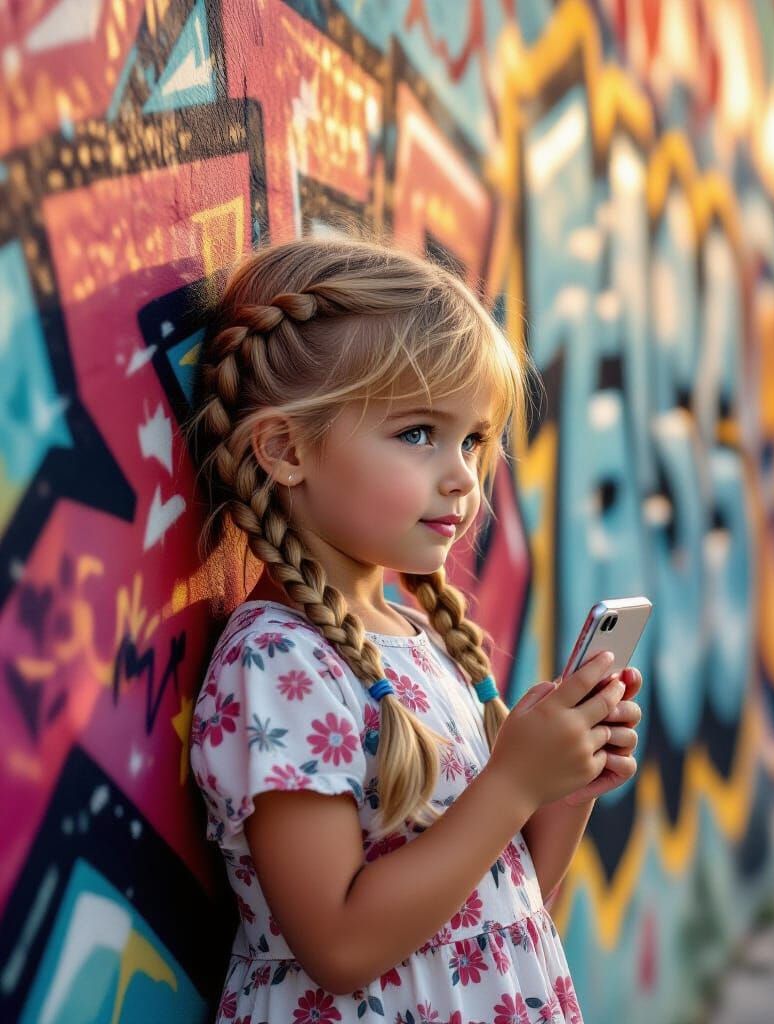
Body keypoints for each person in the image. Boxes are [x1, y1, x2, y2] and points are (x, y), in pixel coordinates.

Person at [185, 235, 643, 1024]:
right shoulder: (279, 662)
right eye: (418, 434)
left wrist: (562, 791)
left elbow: (502, 896)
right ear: (286, 449)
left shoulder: (412, 635)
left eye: (471, 439)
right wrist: (512, 784)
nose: (463, 474)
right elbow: (338, 946)